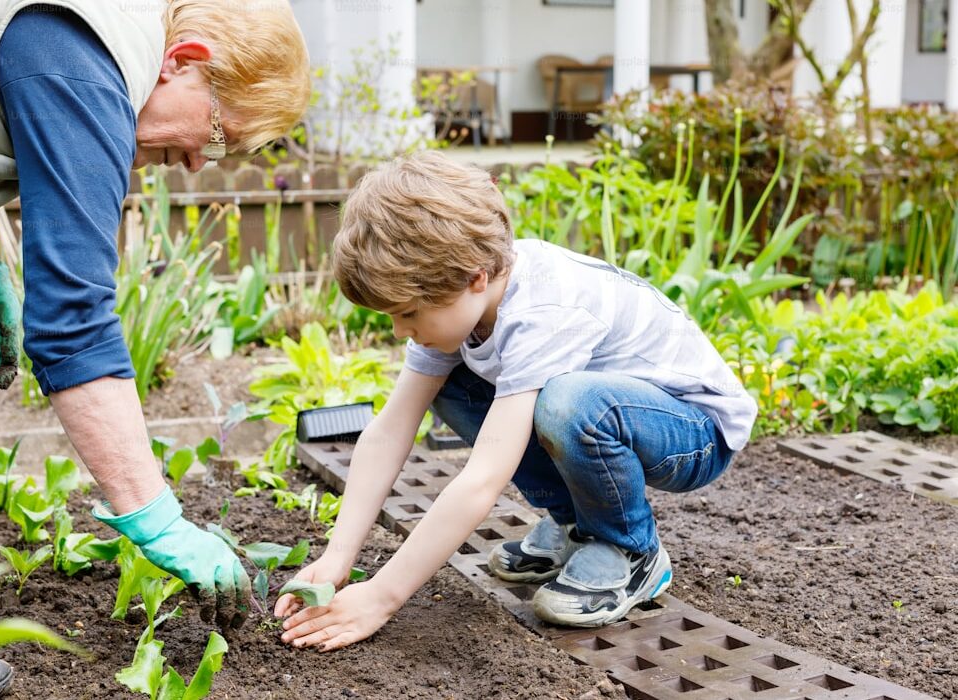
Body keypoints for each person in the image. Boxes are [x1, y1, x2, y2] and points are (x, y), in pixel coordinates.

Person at [0, 0, 309, 695]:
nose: (200, 163)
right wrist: (157, 519)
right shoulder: (92, 59)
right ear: (185, 61)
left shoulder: (91, 39)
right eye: (222, 136)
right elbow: (72, 322)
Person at [274, 151, 757, 651]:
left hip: (694, 431)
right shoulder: (463, 298)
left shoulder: (543, 311)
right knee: (455, 386)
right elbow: (390, 429)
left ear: (476, 276)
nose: (401, 331)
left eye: (409, 312)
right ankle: (577, 525)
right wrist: (338, 555)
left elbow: (484, 477)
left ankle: (629, 550)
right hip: (615, 415)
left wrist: (382, 596)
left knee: (568, 403)